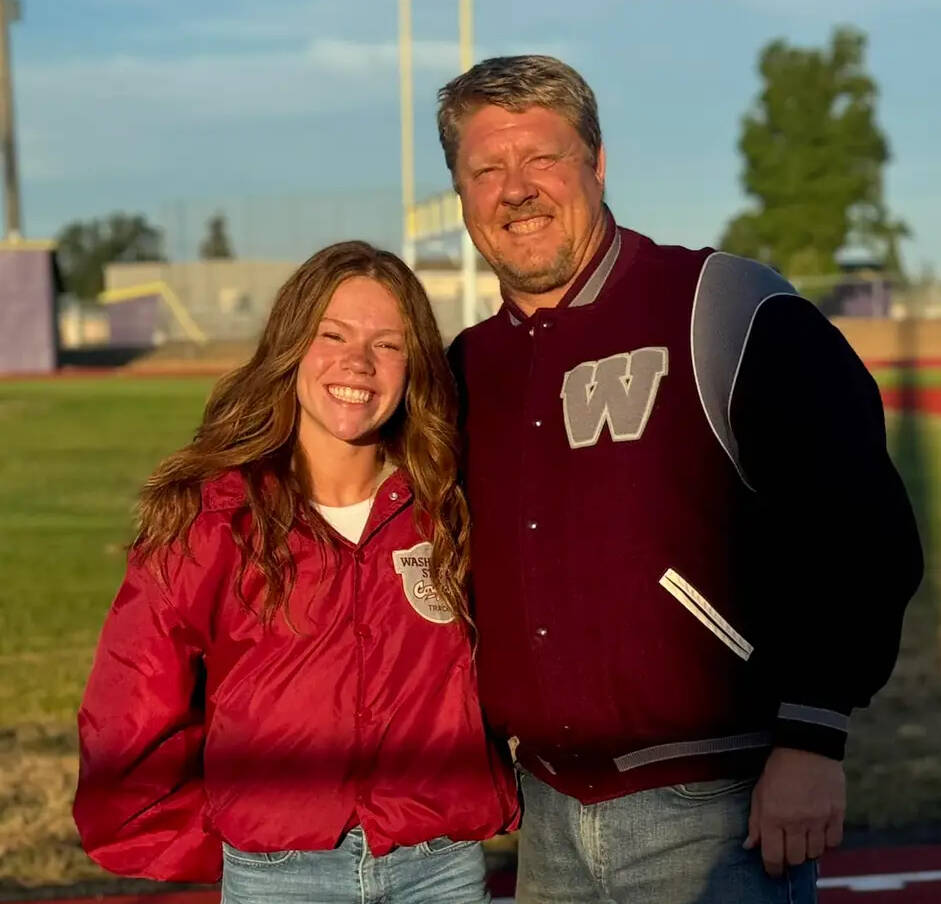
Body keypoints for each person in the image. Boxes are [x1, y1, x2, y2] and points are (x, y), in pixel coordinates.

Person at [438, 55, 924, 903]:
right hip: (547, 814)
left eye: (541, 159)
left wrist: (812, 737)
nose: (516, 189)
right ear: (461, 192)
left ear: (596, 162)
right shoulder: (466, 367)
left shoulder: (722, 305)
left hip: (717, 815)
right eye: (487, 169)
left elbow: (859, 529)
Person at [73, 241, 518, 902]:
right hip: (279, 875)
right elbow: (132, 701)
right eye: (331, 334)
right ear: (291, 346)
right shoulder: (216, 516)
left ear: (415, 365)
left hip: (439, 869)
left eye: (388, 344)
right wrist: (215, 838)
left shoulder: (450, 507)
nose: (357, 363)